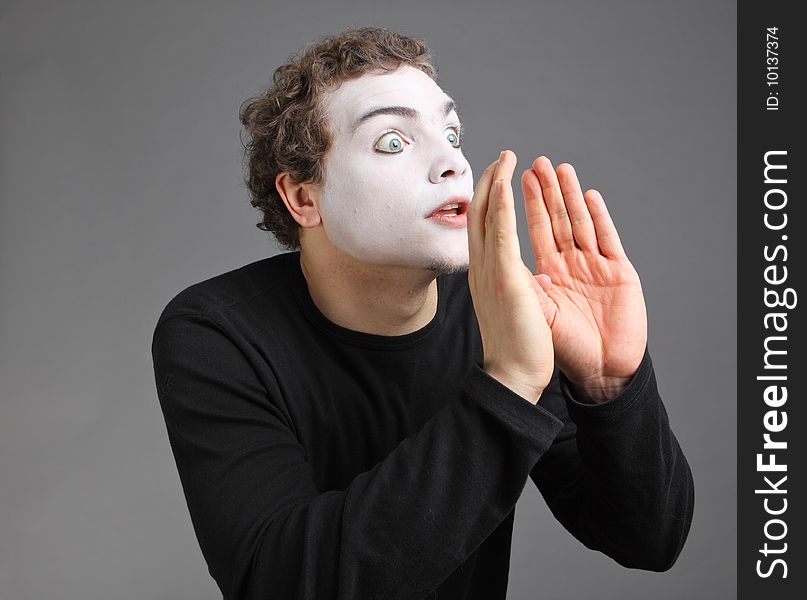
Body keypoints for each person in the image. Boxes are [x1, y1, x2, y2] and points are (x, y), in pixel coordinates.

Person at [151, 26, 694, 600]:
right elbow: (284, 582)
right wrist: (507, 384)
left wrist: (610, 385)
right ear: (303, 197)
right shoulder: (216, 333)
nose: (454, 162)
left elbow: (647, 541)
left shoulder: (501, 314)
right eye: (393, 141)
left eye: (453, 132)